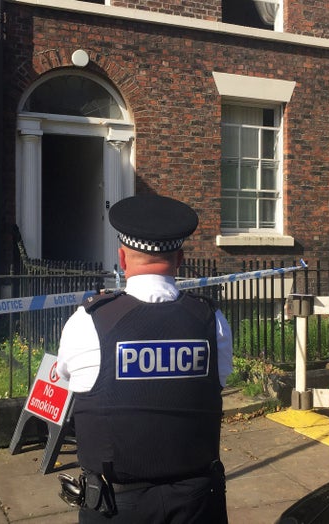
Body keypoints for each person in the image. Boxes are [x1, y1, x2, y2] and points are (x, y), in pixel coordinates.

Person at [56, 194, 233, 523]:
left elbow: (68, 379)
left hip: (116, 507)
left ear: (122, 258)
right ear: (179, 259)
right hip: (196, 505)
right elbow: (218, 383)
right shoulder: (213, 322)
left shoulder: (88, 322)